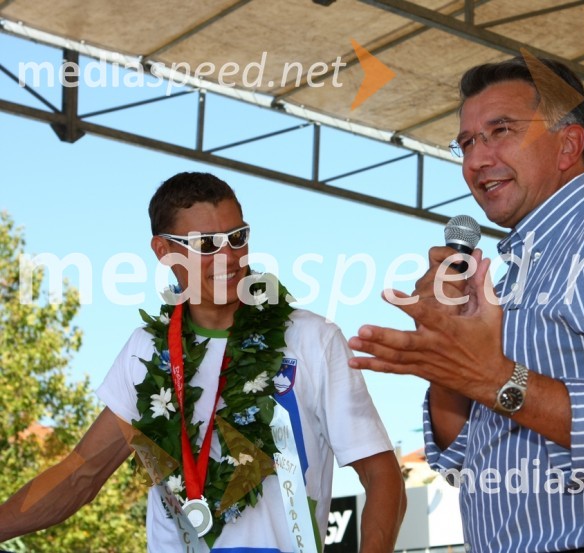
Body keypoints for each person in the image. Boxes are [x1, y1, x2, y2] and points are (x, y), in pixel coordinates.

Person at [348, 56, 584, 552]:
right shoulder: (518, 272)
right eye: (467, 142)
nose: (476, 160)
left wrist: (494, 378)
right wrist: (446, 354)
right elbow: (465, 461)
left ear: (568, 144)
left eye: (500, 131)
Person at [0, 172, 405, 552]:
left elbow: (382, 475)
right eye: (207, 244)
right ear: (164, 251)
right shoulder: (146, 351)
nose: (229, 257)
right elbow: (80, 475)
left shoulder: (312, 338)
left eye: (237, 237)